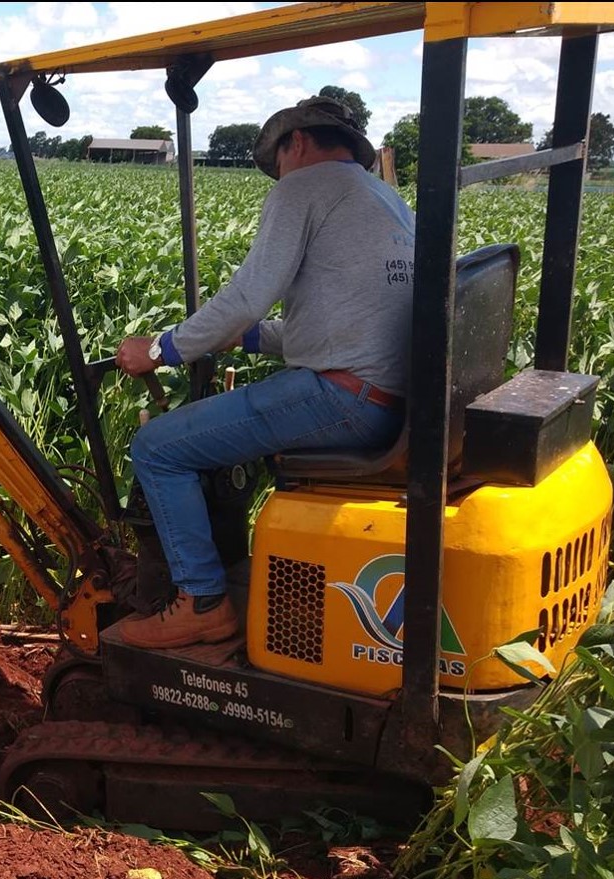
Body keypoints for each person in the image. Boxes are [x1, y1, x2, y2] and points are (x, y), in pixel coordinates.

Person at [114, 95, 414, 649]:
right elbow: (345, 325)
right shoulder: (386, 200)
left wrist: (158, 350)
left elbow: (248, 295)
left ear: (295, 143)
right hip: (385, 402)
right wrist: (249, 338)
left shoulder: (304, 185)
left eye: (276, 163)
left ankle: (202, 602)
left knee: (158, 447)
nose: (278, 175)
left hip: (342, 401)